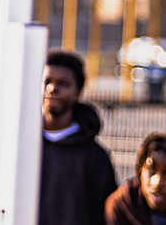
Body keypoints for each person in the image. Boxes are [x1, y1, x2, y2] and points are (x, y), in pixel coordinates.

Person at [38, 50, 118, 225]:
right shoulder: (22, 146)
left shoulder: (95, 157)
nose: (52, 89)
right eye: (47, 82)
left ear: (78, 92)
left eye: (63, 83)